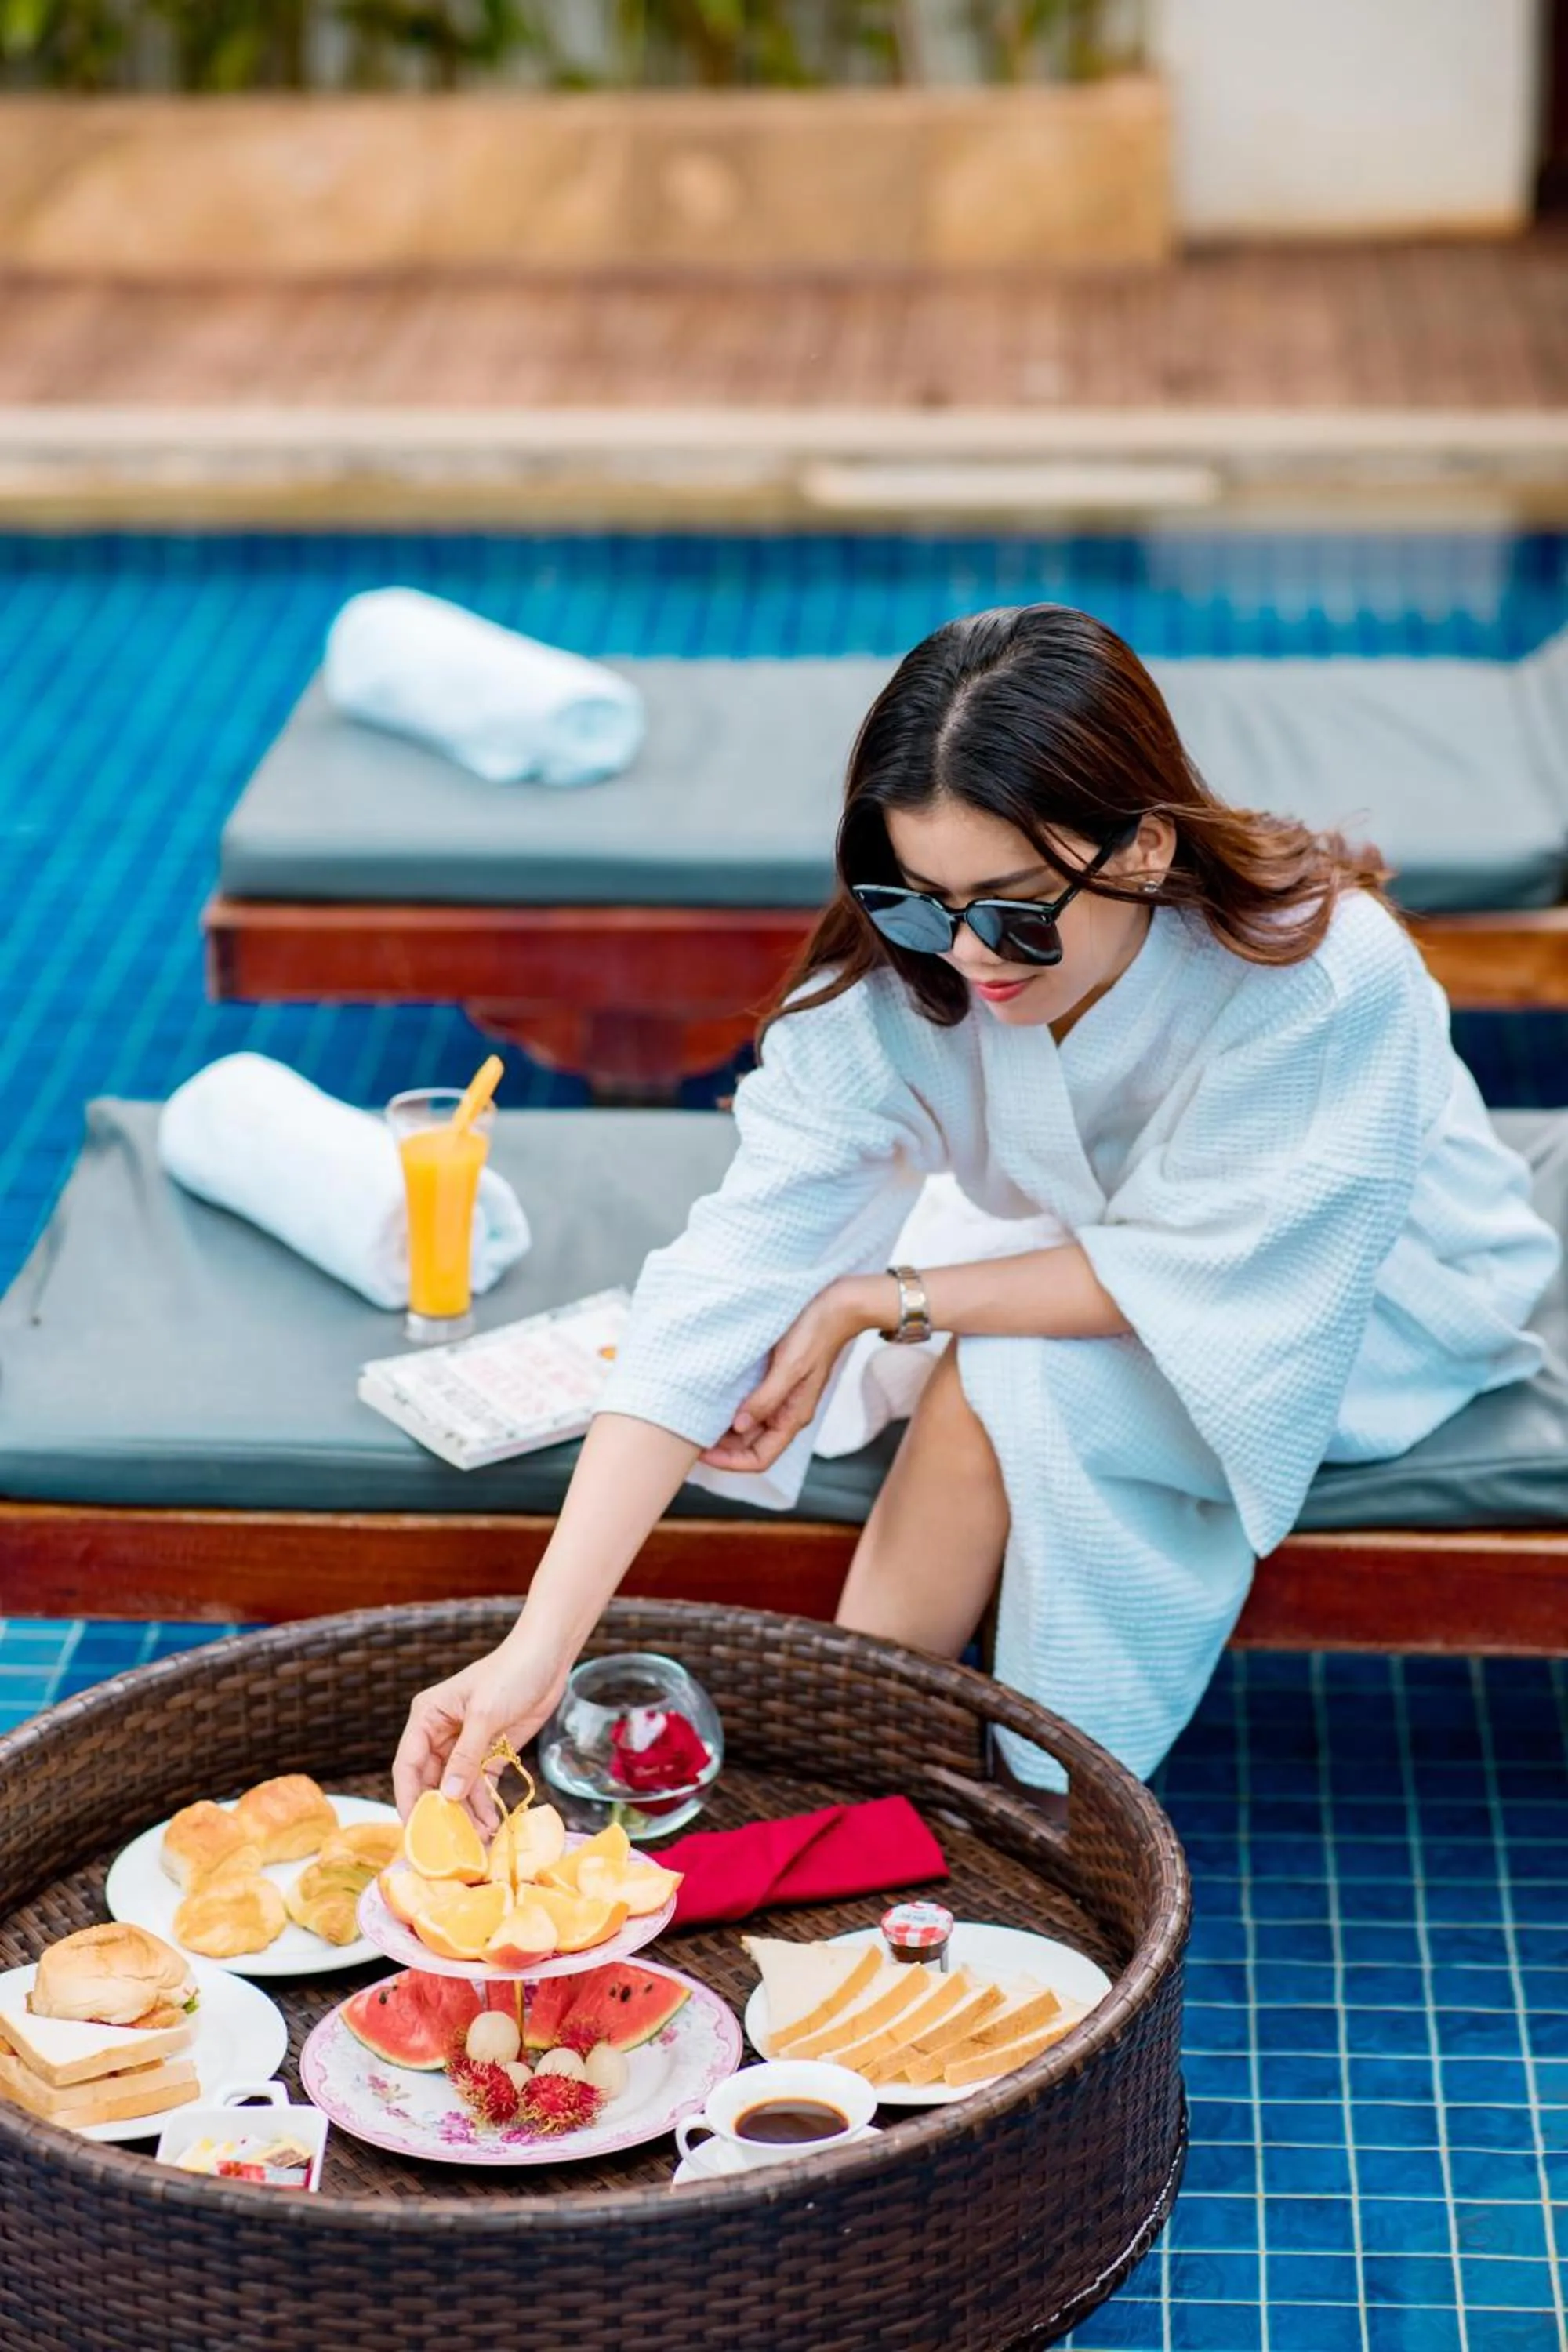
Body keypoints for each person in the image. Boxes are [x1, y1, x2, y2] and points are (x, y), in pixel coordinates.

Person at [394, 605, 1559, 1816]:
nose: (966, 956)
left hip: (1364, 1282)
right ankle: (862, 1778)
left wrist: (883, 1298)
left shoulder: (1326, 979)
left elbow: (1219, 1267)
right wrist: (537, 1648)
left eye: (1014, 909)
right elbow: (724, 1281)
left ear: (1144, 849)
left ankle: (937, 1795)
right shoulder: (914, 983)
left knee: (1004, 1376)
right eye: (916, 902)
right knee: (888, 1333)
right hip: (1096, 1235)